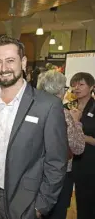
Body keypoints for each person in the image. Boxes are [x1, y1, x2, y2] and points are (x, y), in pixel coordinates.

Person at [0, 35, 68, 219]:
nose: (4, 68)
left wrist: (42, 206)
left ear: (23, 62)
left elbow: (56, 161)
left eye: (10, 61)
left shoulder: (47, 105)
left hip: (26, 200)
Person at [37, 70, 85, 219]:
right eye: (65, 88)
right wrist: (76, 122)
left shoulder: (32, 108)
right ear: (58, 90)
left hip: (34, 172)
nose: (67, 91)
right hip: (59, 175)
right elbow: (78, 147)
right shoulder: (62, 113)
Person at [68, 72, 95, 219]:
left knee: (89, 202)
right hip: (72, 162)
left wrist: (82, 137)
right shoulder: (69, 106)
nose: (76, 88)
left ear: (91, 87)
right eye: (74, 84)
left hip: (90, 162)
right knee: (79, 201)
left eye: (81, 84)